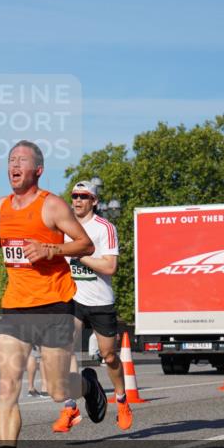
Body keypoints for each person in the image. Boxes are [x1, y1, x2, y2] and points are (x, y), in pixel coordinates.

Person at [0, 140, 103, 448]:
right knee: (8, 385)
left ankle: (88, 385)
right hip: (15, 306)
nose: (14, 165)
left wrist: (51, 249)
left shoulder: (53, 206)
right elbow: (10, 235)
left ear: (38, 170)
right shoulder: (1, 204)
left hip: (53, 306)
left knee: (57, 390)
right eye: (11, 159)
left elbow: (86, 245)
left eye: (22, 160)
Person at [64, 180, 132, 430]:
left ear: (94, 201)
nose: (78, 200)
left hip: (101, 301)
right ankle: (70, 407)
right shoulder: (65, 226)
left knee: (109, 356)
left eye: (84, 196)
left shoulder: (105, 228)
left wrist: (79, 253)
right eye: (74, 196)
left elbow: (110, 267)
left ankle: (122, 399)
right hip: (73, 298)